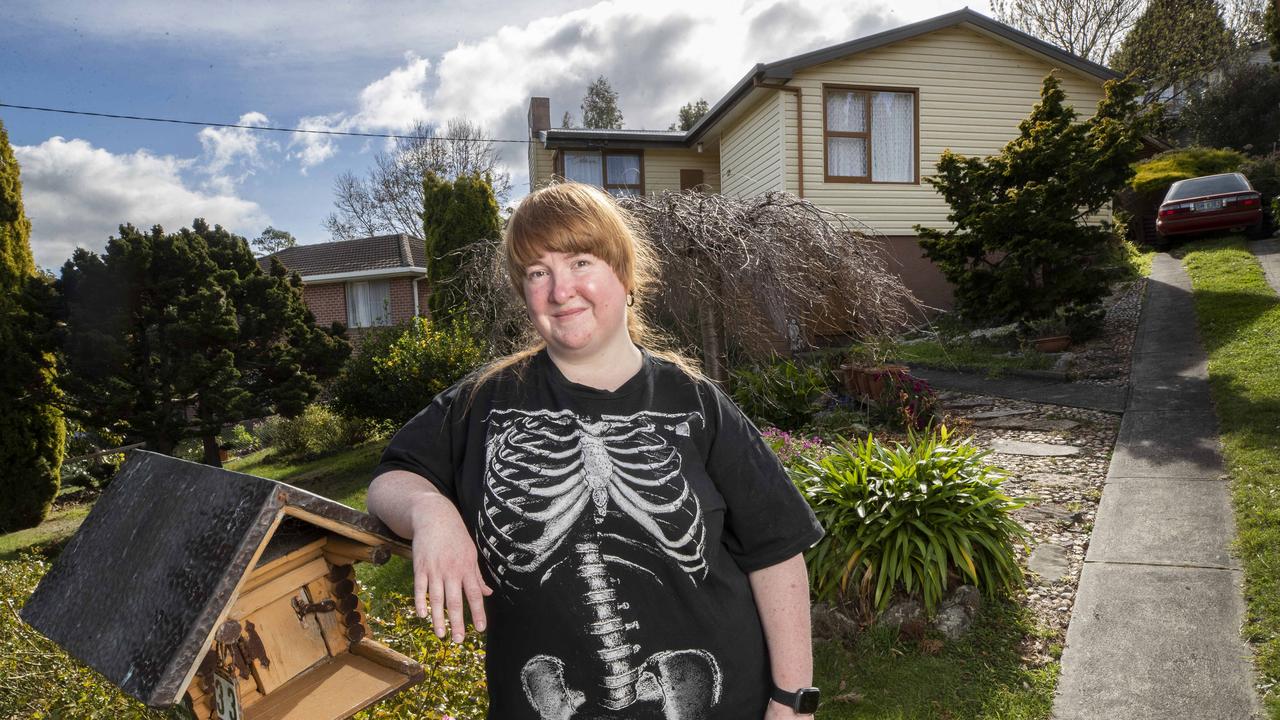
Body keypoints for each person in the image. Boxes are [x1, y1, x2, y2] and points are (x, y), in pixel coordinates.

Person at [367, 182, 824, 719]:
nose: (561, 291)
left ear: (626, 276)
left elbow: (776, 553)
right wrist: (430, 511)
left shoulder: (696, 403)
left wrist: (793, 701)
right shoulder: (482, 401)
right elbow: (390, 479)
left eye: (581, 261)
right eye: (538, 272)